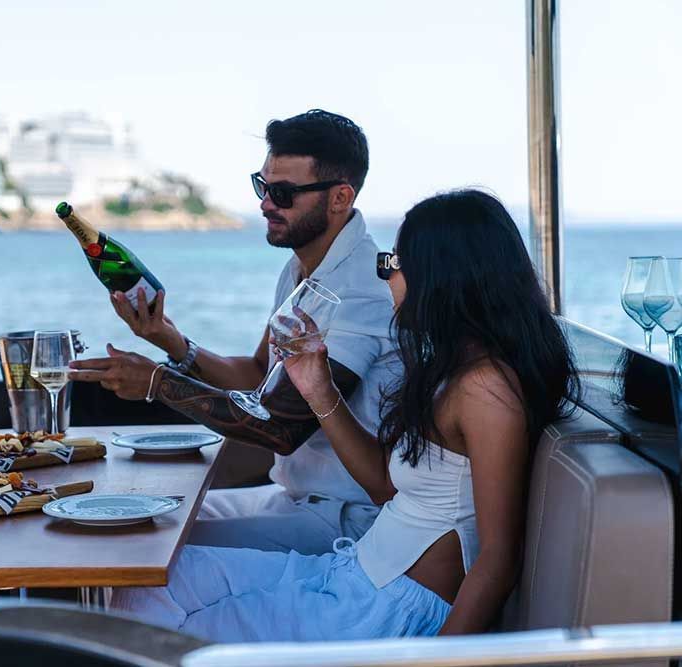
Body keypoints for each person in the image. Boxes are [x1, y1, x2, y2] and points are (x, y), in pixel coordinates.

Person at [111, 189, 580, 642]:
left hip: (386, 609)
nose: (386, 276)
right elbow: (384, 486)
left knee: (160, 630)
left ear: (440, 274)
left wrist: (446, 663)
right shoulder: (450, 367)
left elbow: (498, 558)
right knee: (147, 582)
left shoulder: (486, 388)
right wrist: (318, 385)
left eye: (393, 264)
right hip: (352, 573)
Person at [69, 110, 397, 554]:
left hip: (346, 518)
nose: (265, 204)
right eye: (262, 187)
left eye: (282, 193)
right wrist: (171, 342)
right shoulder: (302, 267)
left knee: (150, 545)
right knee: (134, 517)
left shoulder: (360, 291)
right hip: (295, 497)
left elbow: (281, 427)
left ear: (340, 197)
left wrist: (156, 382)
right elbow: (259, 375)